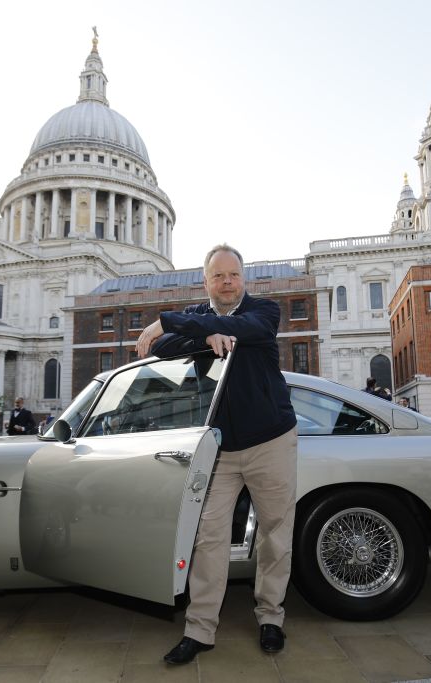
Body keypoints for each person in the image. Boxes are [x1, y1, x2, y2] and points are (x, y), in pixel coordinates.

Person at [136, 244, 298, 664]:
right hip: (219, 446)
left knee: (275, 534)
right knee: (208, 537)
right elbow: (159, 350)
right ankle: (200, 630)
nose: (227, 282)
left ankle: (271, 619)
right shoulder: (199, 316)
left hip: (271, 439)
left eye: (234, 275)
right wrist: (204, 332)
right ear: (205, 281)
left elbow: (248, 331)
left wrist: (167, 321)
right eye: (218, 276)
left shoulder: (264, 309)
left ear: (243, 279)